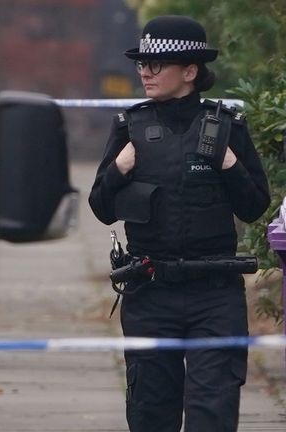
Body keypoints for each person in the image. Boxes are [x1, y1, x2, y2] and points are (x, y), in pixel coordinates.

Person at [88, 15, 270, 432]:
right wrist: (119, 167)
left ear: (190, 71)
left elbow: (254, 206)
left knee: (213, 412)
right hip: (151, 292)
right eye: (141, 64)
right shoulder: (130, 126)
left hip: (215, 295)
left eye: (158, 64)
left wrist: (229, 164)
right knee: (151, 412)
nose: (146, 72)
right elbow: (101, 207)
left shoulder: (227, 126)